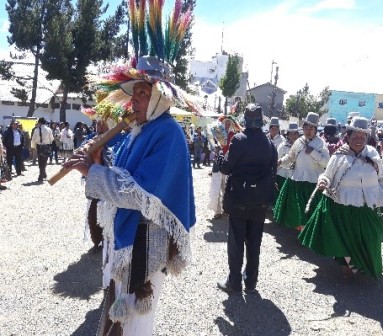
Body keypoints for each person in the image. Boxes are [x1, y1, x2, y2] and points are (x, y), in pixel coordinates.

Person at [62, 7, 195, 332]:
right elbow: (120, 172)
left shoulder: (168, 134)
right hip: (124, 238)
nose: (133, 102)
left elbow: (139, 193)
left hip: (145, 243)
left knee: (137, 324)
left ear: (159, 98)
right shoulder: (139, 131)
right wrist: (96, 161)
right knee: (117, 314)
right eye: (133, 94)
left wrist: (89, 174)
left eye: (142, 93)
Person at [299, 117, 383, 279]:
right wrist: (323, 182)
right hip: (343, 206)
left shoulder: (373, 154)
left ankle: (365, 263)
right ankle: (347, 266)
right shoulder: (339, 156)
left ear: (367, 138)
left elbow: (382, 177)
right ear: (348, 136)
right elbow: (327, 175)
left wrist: (382, 193)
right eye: (355, 136)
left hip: (367, 206)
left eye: (362, 137)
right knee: (346, 238)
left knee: (372, 236)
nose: (358, 140)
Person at [217, 104, 277, 293]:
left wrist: (220, 156)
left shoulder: (239, 140)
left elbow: (226, 168)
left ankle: (234, 282)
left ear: (246, 120)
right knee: (254, 242)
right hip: (259, 202)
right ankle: (251, 282)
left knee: (236, 241)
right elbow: (273, 170)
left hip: (239, 199)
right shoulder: (269, 144)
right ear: (261, 121)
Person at [274, 112, 330, 230]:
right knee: (297, 209)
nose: (308, 131)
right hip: (297, 181)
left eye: (311, 128)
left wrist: (313, 152)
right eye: (306, 128)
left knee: (311, 210)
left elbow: (326, 163)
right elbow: (290, 157)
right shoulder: (299, 142)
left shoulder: (320, 144)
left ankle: (309, 233)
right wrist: (280, 161)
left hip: (312, 182)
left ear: (315, 129)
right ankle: (301, 231)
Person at [208, 116, 242, 219]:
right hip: (218, 164)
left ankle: (226, 209)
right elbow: (211, 147)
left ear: (231, 125)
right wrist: (215, 147)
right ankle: (217, 211)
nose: (227, 125)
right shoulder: (216, 134)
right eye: (225, 123)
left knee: (226, 188)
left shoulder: (234, 136)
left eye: (228, 123)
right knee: (216, 187)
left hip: (229, 165)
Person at [275, 122, 300, 195]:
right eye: (291, 134)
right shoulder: (283, 146)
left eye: (295, 133)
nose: (293, 136)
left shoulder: (301, 146)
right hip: (282, 176)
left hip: (295, 177)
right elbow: (277, 161)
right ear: (288, 135)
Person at [31, 118, 53, 182]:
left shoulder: (36, 130)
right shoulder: (49, 129)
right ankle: (42, 174)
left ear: (39, 123)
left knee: (40, 161)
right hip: (46, 146)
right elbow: (51, 139)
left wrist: (33, 146)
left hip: (39, 147)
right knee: (44, 161)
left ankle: (42, 174)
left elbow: (33, 139)